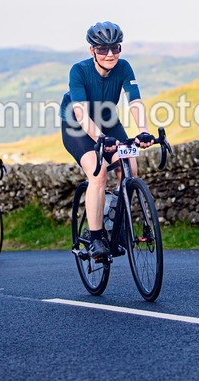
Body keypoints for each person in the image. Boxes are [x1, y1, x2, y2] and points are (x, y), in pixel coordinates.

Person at [60, 21, 154, 260]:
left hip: (108, 120)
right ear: (92, 50)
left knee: (130, 168)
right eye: (103, 49)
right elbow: (81, 113)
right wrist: (101, 139)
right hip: (77, 126)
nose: (110, 54)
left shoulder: (124, 67)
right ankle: (95, 238)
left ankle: (115, 222)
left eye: (115, 48)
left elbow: (135, 101)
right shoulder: (78, 71)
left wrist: (143, 131)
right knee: (98, 171)